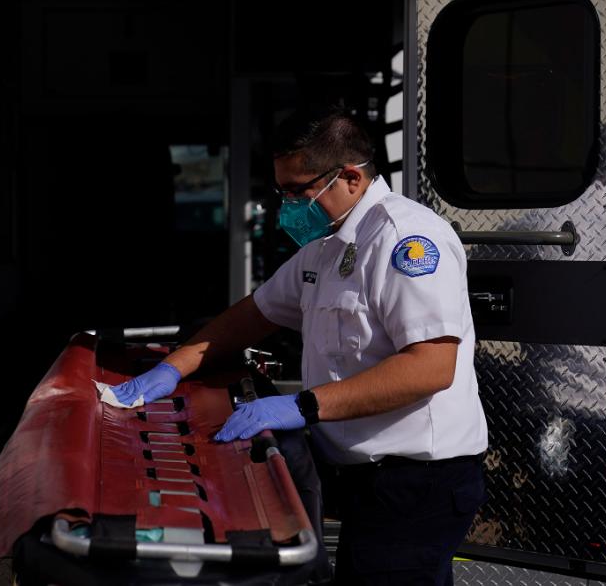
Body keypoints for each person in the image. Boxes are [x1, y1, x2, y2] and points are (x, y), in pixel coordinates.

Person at [111, 107, 488, 585]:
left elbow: (430, 368)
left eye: (298, 190)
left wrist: (302, 405)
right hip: (363, 476)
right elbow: (253, 315)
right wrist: (175, 367)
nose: (286, 205)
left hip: (417, 481)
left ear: (350, 177)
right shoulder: (327, 246)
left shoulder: (404, 240)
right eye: (281, 191)